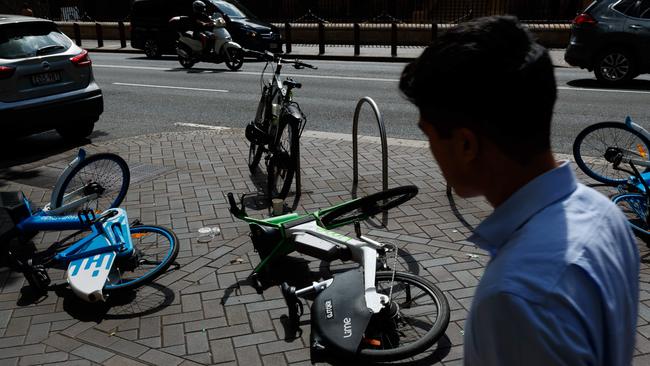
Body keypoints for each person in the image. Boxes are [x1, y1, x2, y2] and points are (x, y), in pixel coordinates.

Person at [399, 16, 639, 366]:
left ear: (466, 145)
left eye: (430, 135)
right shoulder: (605, 214)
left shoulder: (516, 298)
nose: (431, 149)